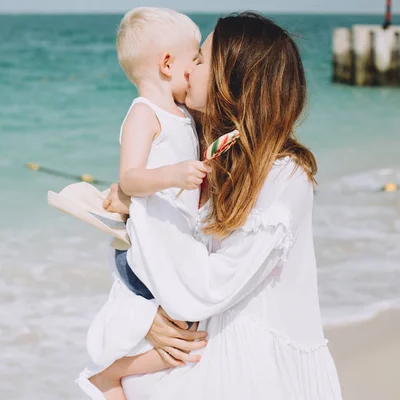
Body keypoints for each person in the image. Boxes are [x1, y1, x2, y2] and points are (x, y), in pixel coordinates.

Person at [84, 12, 343, 399]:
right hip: (211, 352)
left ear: (232, 77)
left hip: (250, 368)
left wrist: (141, 209)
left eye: (201, 58)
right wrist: (145, 316)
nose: (190, 68)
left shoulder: (284, 174)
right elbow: (150, 256)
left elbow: (209, 286)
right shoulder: (215, 156)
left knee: (105, 376)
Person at [77, 8, 214, 400]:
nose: (199, 69)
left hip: (171, 242)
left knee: (186, 332)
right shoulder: (144, 114)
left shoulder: (184, 115)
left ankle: (114, 378)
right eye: (196, 61)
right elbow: (131, 178)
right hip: (148, 247)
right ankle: (108, 376)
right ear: (168, 64)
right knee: (187, 336)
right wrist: (173, 175)